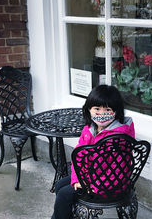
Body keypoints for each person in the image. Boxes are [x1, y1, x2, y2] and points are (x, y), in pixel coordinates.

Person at [52, 84, 135, 219]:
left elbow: (118, 172)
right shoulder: (90, 129)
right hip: (90, 176)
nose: (101, 114)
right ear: (89, 109)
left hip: (106, 184)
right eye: (97, 108)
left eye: (107, 109)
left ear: (116, 111)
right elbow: (78, 158)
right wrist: (77, 179)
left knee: (64, 194)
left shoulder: (118, 138)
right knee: (60, 184)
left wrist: (94, 187)